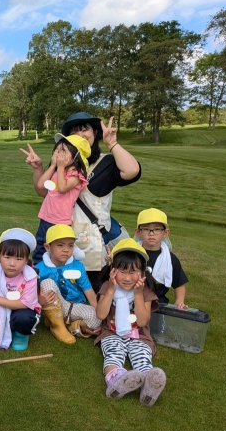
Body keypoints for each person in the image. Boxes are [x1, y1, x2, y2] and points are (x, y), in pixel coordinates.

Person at [21, 113, 141, 290]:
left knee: (89, 291)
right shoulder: (64, 164)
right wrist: (39, 168)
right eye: (74, 131)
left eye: (84, 129)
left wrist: (112, 144)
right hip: (60, 238)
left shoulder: (105, 163)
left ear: (95, 132)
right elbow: (43, 191)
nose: (79, 134)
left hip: (89, 246)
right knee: (55, 289)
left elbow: (132, 171)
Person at [94, 239, 166, 406]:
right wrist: (111, 290)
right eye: (122, 271)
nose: (127, 278)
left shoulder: (145, 291)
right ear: (113, 271)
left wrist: (138, 295)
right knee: (113, 354)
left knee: (142, 356)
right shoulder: (108, 287)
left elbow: (142, 321)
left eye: (133, 272)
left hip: (140, 336)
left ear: (142, 273)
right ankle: (116, 380)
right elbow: (101, 314)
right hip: (112, 333)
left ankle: (149, 384)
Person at [0, 229, 41, 351]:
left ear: (26, 260)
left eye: (19, 259)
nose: (12, 263)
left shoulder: (30, 277)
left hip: (20, 310)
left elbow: (24, 304)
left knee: (24, 317)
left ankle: (20, 336)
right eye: (7, 257)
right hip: (2, 309)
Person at [36, 224, 100, 345]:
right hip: (54, 305)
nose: (66, 249)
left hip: (75, 306)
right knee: (47, 283)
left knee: (97, 318)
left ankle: (70, 326)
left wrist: (101, 316)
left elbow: (90, 294)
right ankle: (58, 326)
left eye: (70, 245)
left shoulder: (78, 266)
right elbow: (32, 295)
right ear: (47, 247)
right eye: (60, 245)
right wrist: (39, 301)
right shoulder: (39, 269)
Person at [31, 134, 90, 264]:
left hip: (60, 221)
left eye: (63, 151)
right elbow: (41, 185)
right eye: (57, 150)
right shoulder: (56, 171)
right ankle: (38, 271)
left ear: (76, 155)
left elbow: (63, 188)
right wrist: (53, 166)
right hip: (46, 217)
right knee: (40, 244)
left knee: (57, 251)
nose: (58, 154)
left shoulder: (76, 175)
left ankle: (59, 269)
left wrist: (61, 167)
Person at [134, 208, 188, 309]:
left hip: (158, 304)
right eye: (146, 229)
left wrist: (179, 301)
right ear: (138, 232)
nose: (151, 233)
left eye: (157, 229)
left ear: (165, 233)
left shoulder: (170, 259)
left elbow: (179, 284)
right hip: (131, 301)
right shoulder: (131, 254)